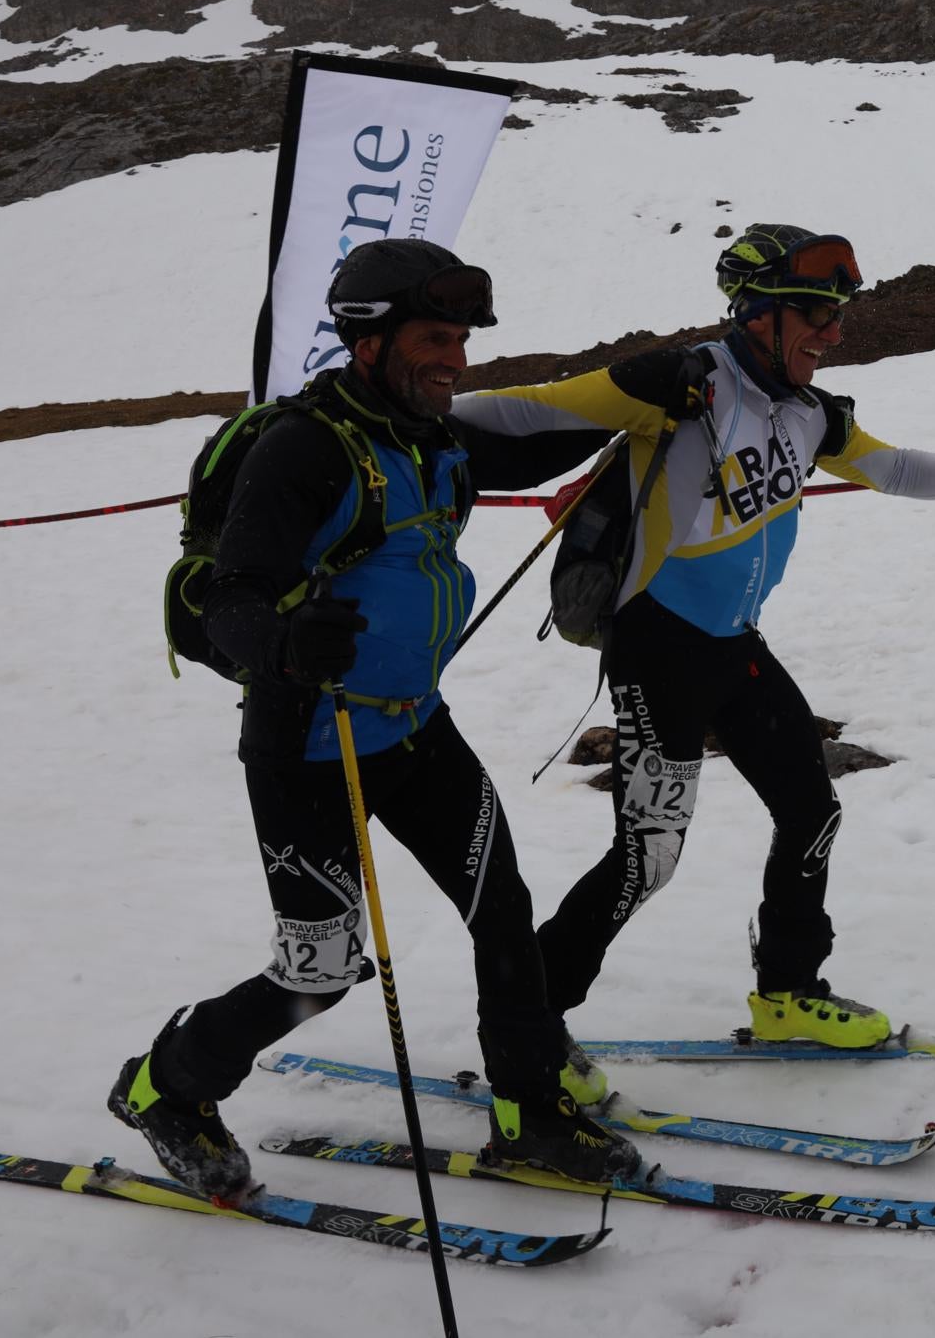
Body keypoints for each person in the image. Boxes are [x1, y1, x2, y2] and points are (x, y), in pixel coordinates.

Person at [450, 225, 935, 1059]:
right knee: (647, 859)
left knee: (811, 809)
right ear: (757, 314)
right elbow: (526, 409)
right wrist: (381, 409)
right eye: (816, 313)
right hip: (658, 650)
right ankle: (529, 1026)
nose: (834, 333)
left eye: (838, 314)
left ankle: (787, 990)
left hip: (735, 647)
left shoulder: (808, 412)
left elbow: (890, 468)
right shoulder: (676, 383)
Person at [109, 239, 641, 1200]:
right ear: (370, 340)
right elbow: (226, 597)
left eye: (462, 340)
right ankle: (166, 1087)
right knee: (320, 970)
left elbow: (540, 435)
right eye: (436, 338)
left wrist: (649, 401)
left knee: (502, 909)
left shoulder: (431, 432)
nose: (456, 359)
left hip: (413, 725)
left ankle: (527, 1113)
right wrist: (282, 642)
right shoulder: (305, 449)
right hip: (308, 743)